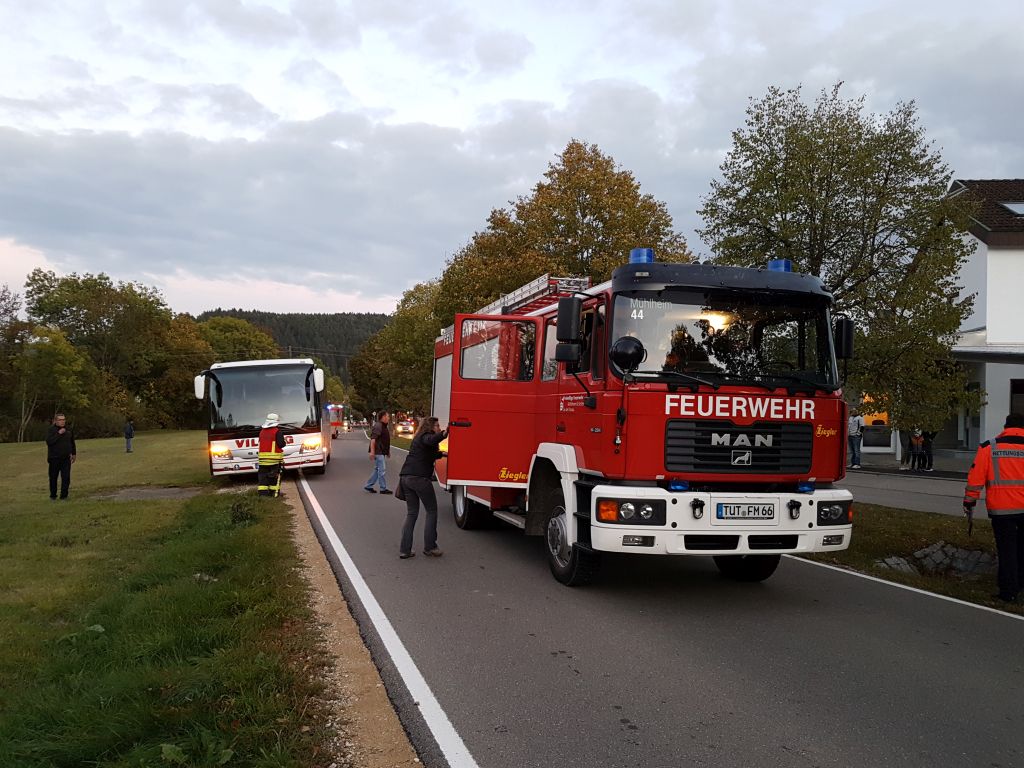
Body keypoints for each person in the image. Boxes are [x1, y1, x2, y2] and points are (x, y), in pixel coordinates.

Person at [963, 413, 1024, 604]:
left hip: (1002, 510)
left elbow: (976, 478)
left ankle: (1008, 592)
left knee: (1007, 551)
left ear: (1005, 427)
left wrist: (969, 501)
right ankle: (1020, 585)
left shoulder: (989, 447)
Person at [397, 417, 448, 559]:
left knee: (412, 514)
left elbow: (427, 453)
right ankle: (430, 547)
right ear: (430, 427)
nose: (438, 427)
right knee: (431, 511)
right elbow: (431, 440)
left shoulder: (418, 438)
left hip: (406, 478)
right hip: (419, 479)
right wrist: (444, 434)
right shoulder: (426, 437)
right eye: (437, 425)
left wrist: (442, 454)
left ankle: (405, 550)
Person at [45, 412, 76, 500]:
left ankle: (64, 496)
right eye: (60, 420)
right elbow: (49, 442)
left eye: (63, 420)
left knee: (66, 477)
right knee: (53, 478)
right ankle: (53, 495)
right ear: (55, 421)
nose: (62, 422)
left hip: (66, 458)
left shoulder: (69, 429)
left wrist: (73, 453)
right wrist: (59, 433)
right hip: (54, 458)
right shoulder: (51, 430)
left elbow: (72, 442)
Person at [257, 412, 287, 497]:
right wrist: (285, 442)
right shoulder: (277, 432)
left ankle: (262, 494)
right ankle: (273, 493)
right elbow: (281, 444)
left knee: (263, 477)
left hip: (262, 461)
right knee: (274, 478)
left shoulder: (261, 432)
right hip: (274, 460)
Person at [364, 411, 392, 494]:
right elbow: (373, 440)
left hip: (382, 451)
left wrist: (388, 451)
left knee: (377, 470)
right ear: (383, 417)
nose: (389, 418)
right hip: (378, 451)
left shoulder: (384, 426)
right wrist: (372, 452)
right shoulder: (378, 426)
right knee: (382, 470)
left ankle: (368, 485)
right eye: (387, 416)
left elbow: (385, 440)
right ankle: (383, 488)